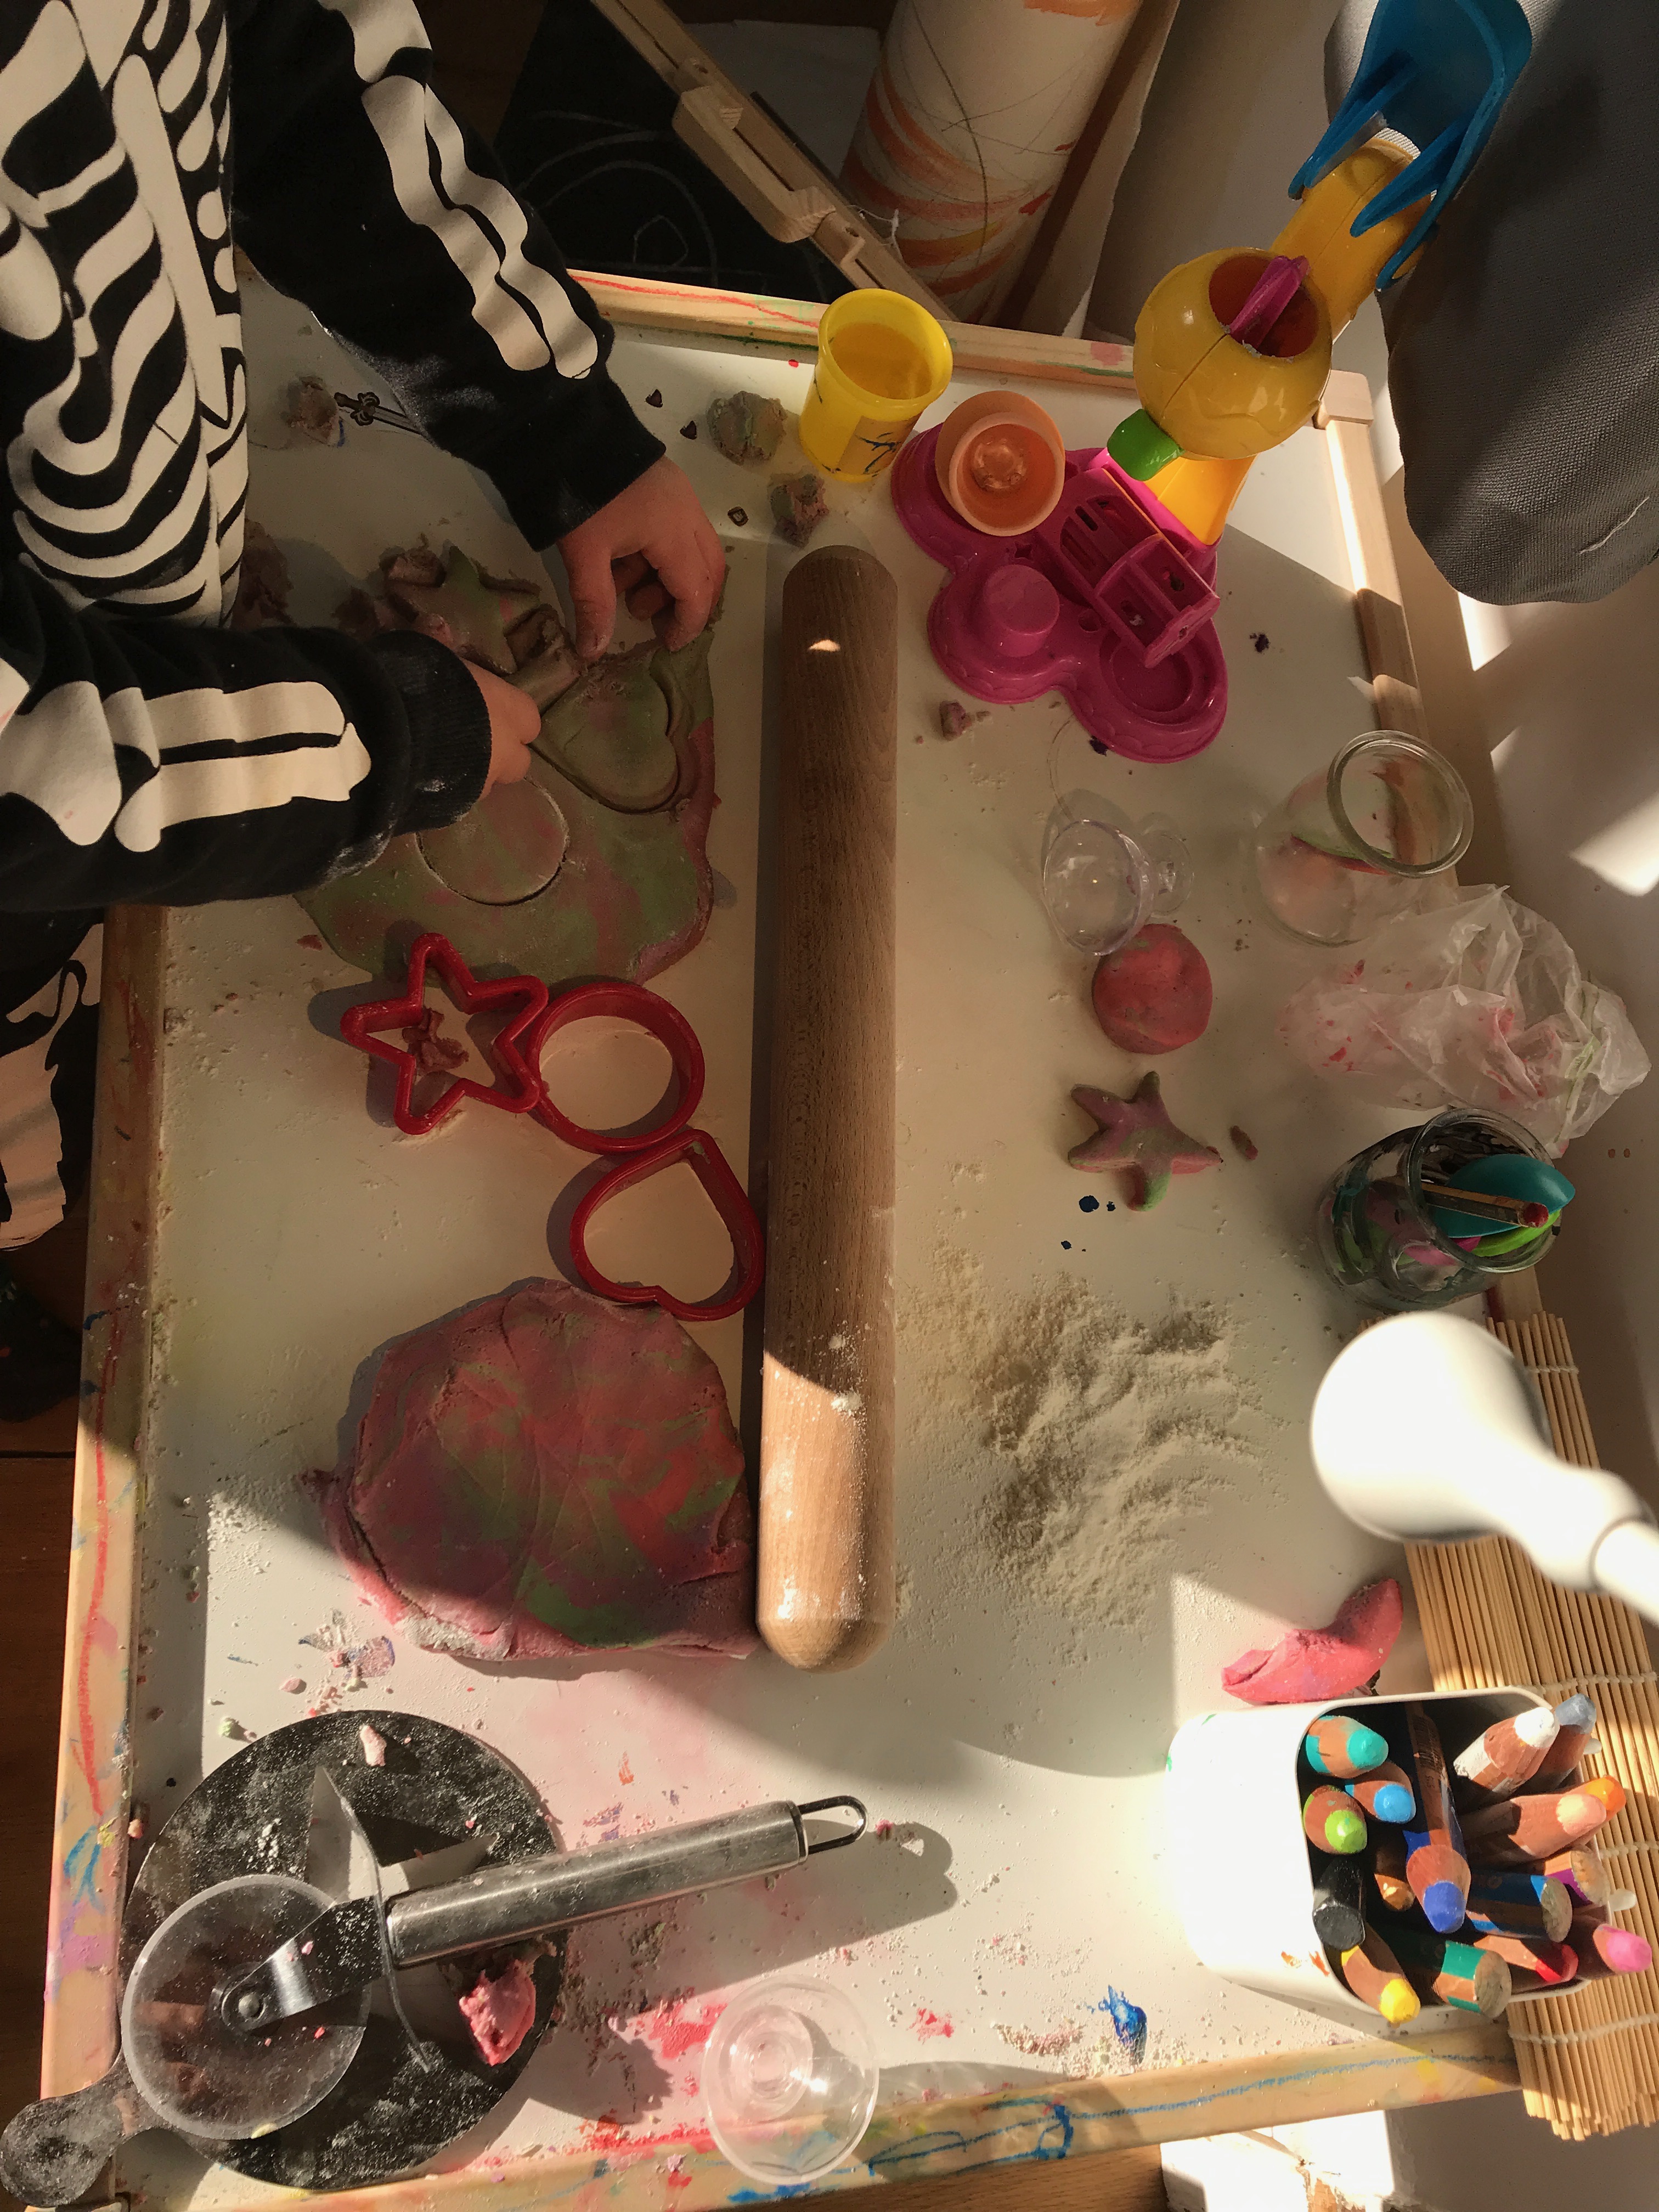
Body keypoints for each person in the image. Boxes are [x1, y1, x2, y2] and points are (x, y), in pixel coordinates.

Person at [0, 0, 725, 1415]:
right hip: (60, 824)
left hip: (149, 700)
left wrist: (557, 423)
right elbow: (27, 770)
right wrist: (390, 743)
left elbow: (311, 81)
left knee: (103, 1061)